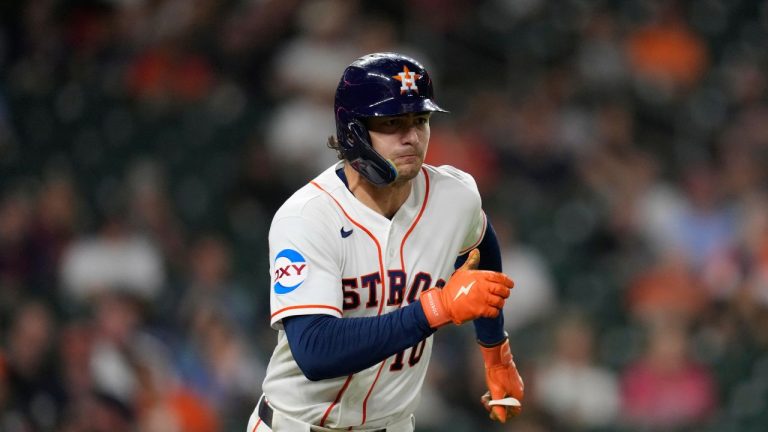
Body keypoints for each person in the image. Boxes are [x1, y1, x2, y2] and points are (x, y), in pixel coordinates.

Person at [247, 52, 524, 432]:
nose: (412, 136)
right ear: (353, 131)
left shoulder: (454, 196)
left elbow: (483, 245)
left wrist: (496, 354)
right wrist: (437, 308)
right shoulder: (308, 216)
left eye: (420, 120)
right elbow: (315, 351)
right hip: (296, 424)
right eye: (392, 122)